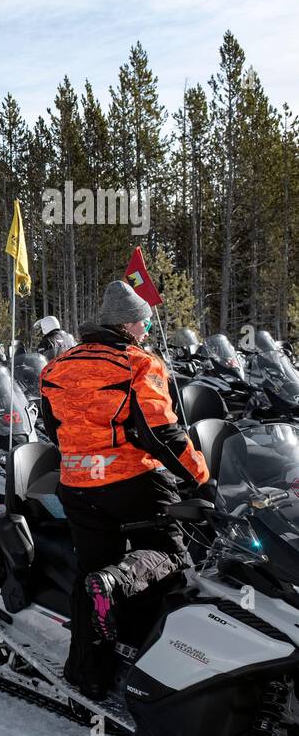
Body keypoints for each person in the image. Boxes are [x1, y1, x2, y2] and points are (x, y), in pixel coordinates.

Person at [40, 280, 210, 700]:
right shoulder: (139, 363)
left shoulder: (57, 365)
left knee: (90, 571)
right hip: (132, 480)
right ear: (128, 324)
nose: (148, 329)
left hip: (77, 483)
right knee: (171, 557)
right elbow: (161, 433)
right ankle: (159, 666)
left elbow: (53, 431)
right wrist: (201, 477)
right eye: (145, 322)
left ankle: (88, 673)